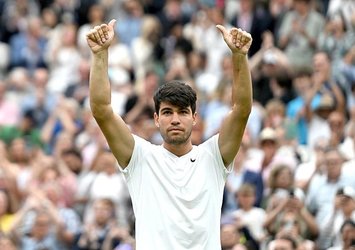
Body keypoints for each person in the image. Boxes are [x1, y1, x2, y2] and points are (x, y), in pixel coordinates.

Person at [86, 19, 252, 249]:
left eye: (183, 112)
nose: (175, 119)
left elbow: (242, 110)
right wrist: (100, 54)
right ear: (156, 119)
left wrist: (240, 56)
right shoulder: (140, 157)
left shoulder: (214, 156)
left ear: (195, 118)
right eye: (167, 112)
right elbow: (102, 110)